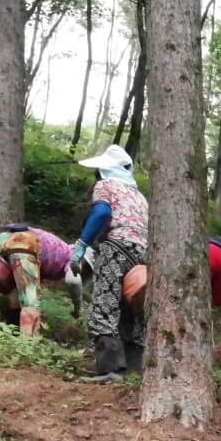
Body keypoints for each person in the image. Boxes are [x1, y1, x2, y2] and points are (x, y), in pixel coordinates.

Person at [70, 143, 149, 383]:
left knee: (105, 304)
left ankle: (110, 369)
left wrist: (83, 243)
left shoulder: (105, 185)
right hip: (143, 253)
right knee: (131, 308)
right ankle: (135, 370)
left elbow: (102, 214)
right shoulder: (139, 196)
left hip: (115, 246)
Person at [0, 225, 89, 335]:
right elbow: (73, 281)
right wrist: (78, 307)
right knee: (30, 303)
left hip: (1, 241)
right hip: (24, 244)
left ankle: (11, 334)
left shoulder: (58, 249)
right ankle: (27, 342)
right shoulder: (74, 256)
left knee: (16, 295)